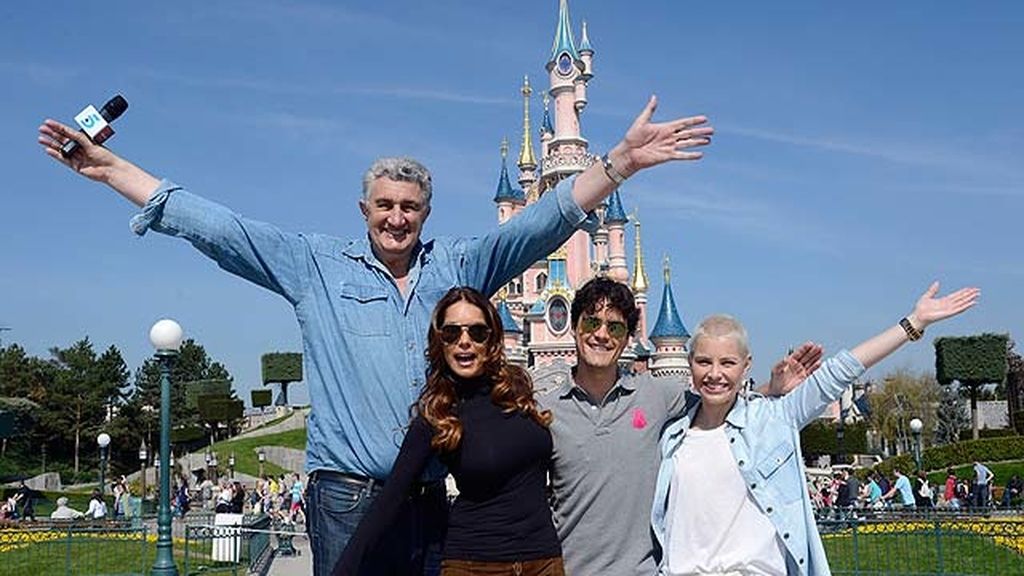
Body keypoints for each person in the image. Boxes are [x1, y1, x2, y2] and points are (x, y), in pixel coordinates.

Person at [39, 97, 711, 575]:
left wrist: (619, 163)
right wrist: (110, 172)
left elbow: (539, 225)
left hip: (429, 499)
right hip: (346, 498)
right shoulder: (315, 265)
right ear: (364, 211)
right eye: (385, 206)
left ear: (426, 214)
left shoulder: (458, 266)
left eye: (410, 208)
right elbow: (219, 227)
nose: (397, 218)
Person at [651, 282, 978, 576]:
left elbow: (840, 371)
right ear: (689, 361)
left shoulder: (773, 420)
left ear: (745, 365)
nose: (714, 373)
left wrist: (913, 323)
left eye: (727, 363)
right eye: (704, 362)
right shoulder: (672, 438)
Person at [533, 277, 819, 575]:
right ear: (573, 325)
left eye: (615, 327)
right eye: (591, 323)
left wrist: (769, 389)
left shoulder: (655, 395)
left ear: (628, 337)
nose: (601, 334)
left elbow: (716, 398)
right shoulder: (545, 410)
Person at [334, 287, 562, 575]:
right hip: (474, 565)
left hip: (544, 562)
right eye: (452, 333)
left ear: (491, 340)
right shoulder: (438, 416)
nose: (464, 342)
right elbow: (390, 499)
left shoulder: (519, 391)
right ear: (439, 342)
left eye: (477, 332)